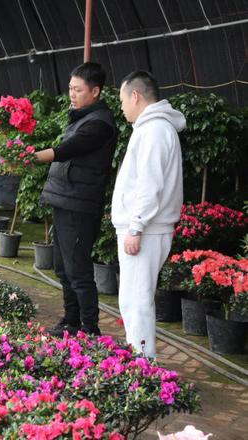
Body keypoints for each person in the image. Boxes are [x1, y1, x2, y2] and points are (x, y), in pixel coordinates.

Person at [34, 62, 118, 337]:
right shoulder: (81, 117)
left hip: (79, 205)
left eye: (78, 89)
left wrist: (29, 157)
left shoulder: (100, 124)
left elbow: (70, 148)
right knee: (62, 267)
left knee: (78, 270)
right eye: (70, 88)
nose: (72, 94)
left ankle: (89, 328)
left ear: (95, 91)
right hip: (65, 200)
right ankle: (71, 321)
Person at [113, 71, 185, 358]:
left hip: (147, 229)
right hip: (145, 228)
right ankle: (138, 357)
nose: (121, 107)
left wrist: (136, 227)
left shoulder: (154, 131)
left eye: (122, 100)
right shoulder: (150, 129)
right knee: (131, 298)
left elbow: (149, 183)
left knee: (138, 299)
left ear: (135, 96)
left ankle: (143, 364)